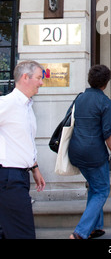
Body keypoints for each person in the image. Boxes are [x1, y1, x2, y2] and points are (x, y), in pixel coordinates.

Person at [68, 64, 111, 240]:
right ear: (105, 83)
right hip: (94, 154)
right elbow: (108, 134)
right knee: (102, 190)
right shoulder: (105, 102)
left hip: (76, 152)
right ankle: (81, 232)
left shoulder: (79, 98)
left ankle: (95, 227)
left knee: (94, 186)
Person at [0, 60, 46, 239]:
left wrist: (34, 167)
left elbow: (24, 141)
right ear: (25, 77)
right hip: (8, 177)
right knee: (23, 234)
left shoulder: (27, 106)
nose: (41, 82)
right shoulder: (8, 103)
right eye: (39, 78)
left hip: (20, 175)